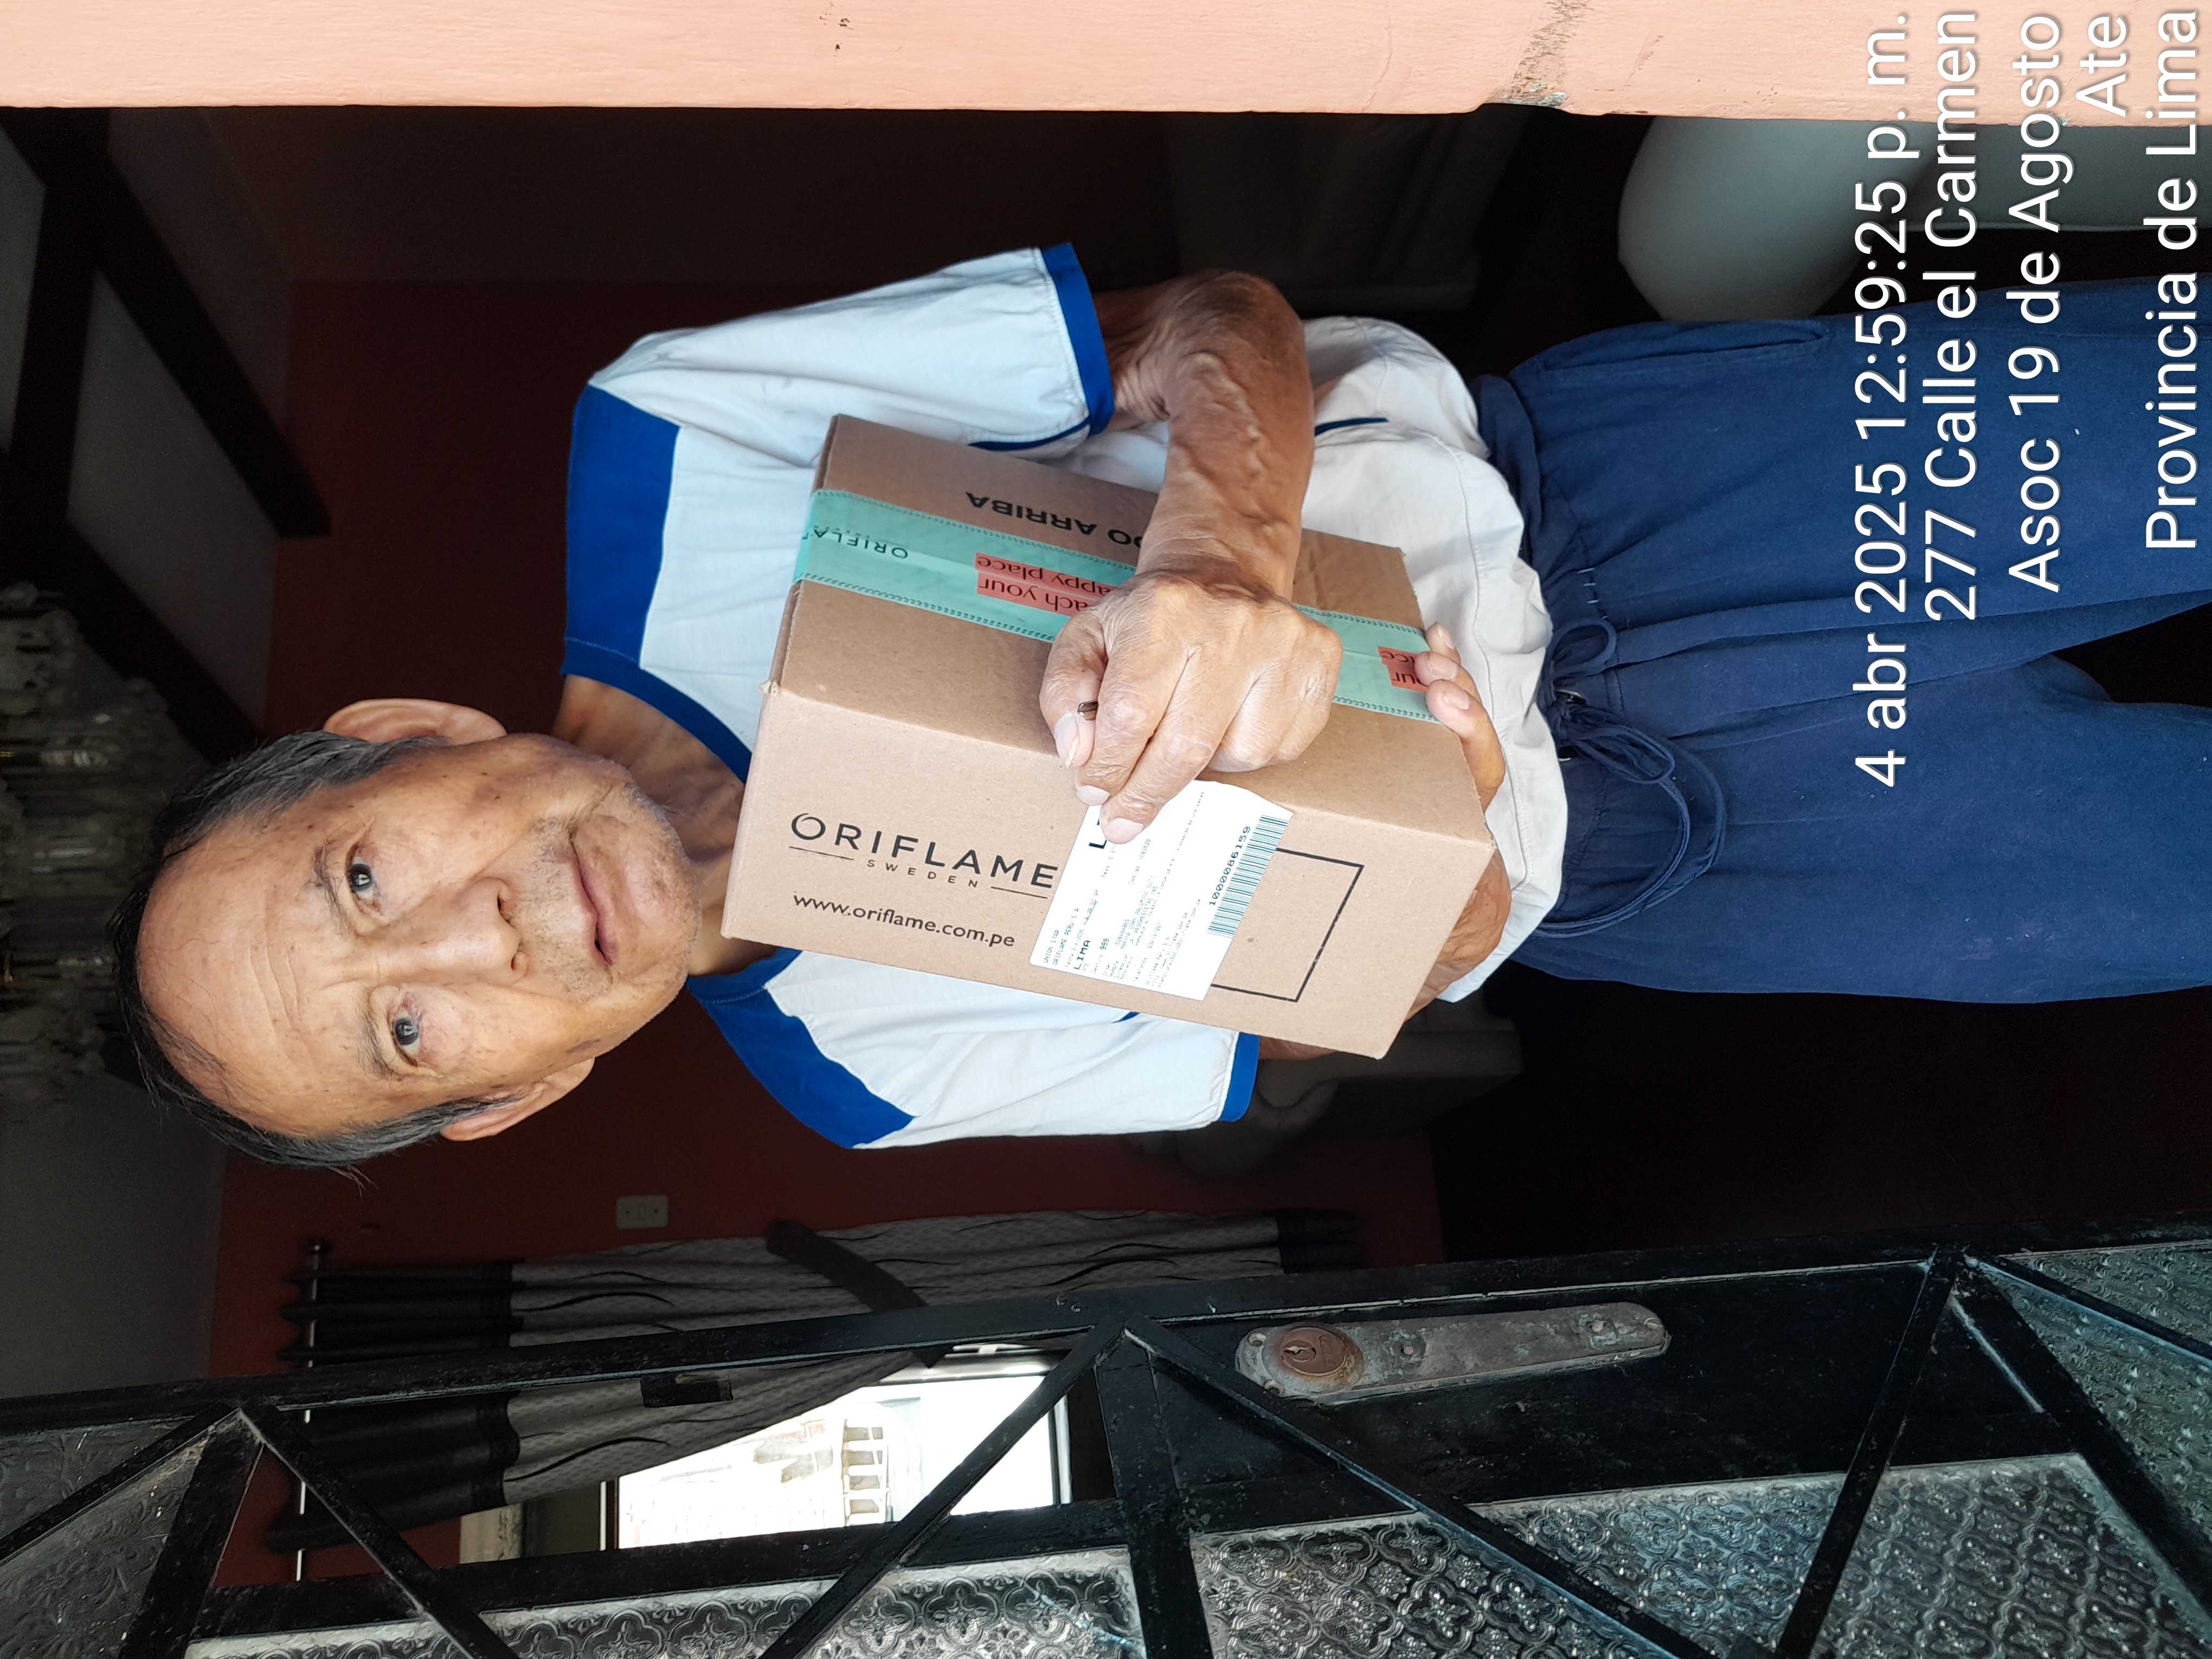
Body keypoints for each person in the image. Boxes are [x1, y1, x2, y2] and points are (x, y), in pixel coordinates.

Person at [114, 246, 2212, 1167]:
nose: (469, 939)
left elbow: (1210, 319)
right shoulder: (867, 1075)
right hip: (1678, 857)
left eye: (361, 876)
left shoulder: (672, 449)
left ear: (406, 735)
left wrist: (1219, 548)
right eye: (409, 1031)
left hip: (1602, 506)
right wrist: (1444, 898)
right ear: (515, 1099)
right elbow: (1345, 1004)